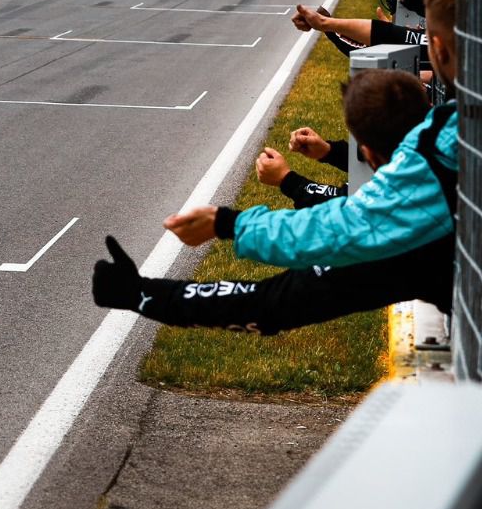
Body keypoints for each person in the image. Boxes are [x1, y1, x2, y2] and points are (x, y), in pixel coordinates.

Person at [92, 68, 454, 335]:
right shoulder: (455, 129)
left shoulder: (393, 236)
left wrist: (142, 292)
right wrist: (326, 156)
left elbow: (267, 301)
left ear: (368, 153)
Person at [161, 0, 457, 269]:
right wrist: (328, 151)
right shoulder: (447, 127)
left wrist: (280, 186)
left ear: (438, 48)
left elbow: (345, 222)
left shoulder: (438, 149)